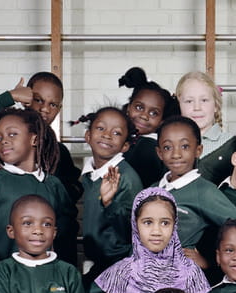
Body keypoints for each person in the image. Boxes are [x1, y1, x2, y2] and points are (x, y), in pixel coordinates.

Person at [0, 108, 76, 279]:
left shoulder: (52, 184)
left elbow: (66, 224)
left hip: (43, 275)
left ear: (34, 139)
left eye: (12, 134)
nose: (3, 141)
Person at [154, 116, 236, 271]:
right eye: (168, 147)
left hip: (174, 278)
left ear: (198, 150)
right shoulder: (152, 190)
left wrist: (210, 262)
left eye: (185, 146)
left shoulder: (204, 191)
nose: (176, 154)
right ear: (159, 153)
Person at [74, 106, 142, 276]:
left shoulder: (125, 177)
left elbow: (132, 226)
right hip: (96, 262)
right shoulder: (90, 175)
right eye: (100, 128)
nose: (107, 135)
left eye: (116, 133)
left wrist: (109, 203)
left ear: (125, 146)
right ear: (88, 136)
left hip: (118, 265)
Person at [27, 71, 84, 205]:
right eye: (38, 100)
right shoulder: (7, 141)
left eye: (52, 105)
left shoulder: (60, 152)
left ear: (59, 109)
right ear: (25, 100)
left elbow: (73, 191)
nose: (45, 109)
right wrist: (9, 97)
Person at [176, 71, 236, 185]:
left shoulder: (230, 144)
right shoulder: (170, 143)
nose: (197, 107)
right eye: (189, 101)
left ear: (216, 105)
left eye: (204, 100)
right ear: (179, 105)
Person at [119, 67, 178, 187]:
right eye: (139, 108)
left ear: (162, 121)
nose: (144, 116)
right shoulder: (129, 140)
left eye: (153, 113)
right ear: (128, 107)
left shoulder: (148, 148)